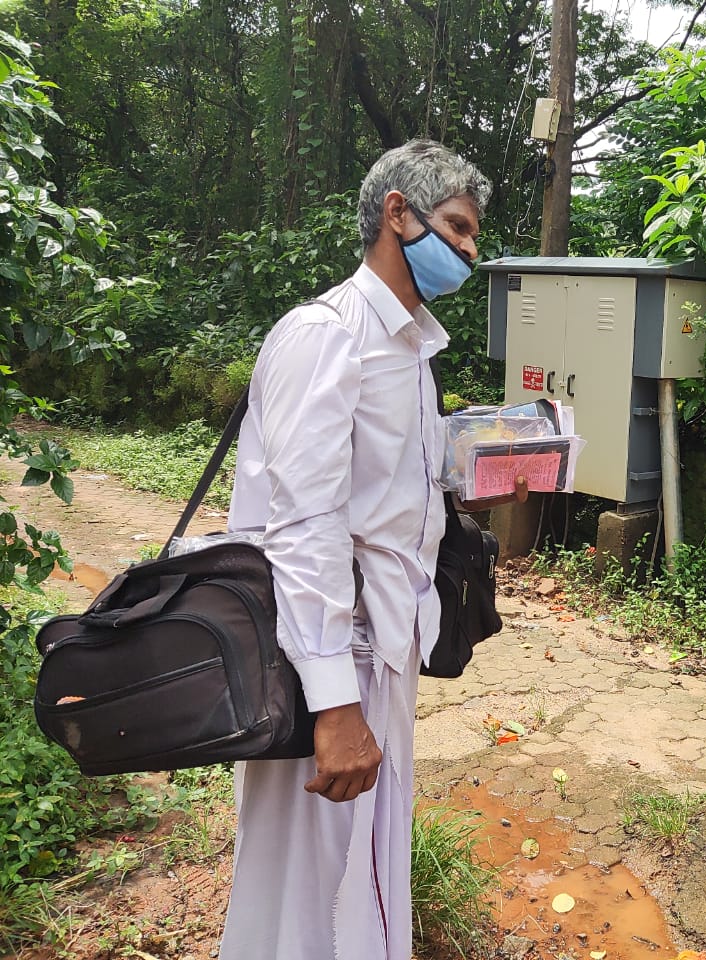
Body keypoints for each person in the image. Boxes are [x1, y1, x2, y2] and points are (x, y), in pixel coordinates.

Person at [218, 139, 522, 959]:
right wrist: (335, 705)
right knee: (314, 888)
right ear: (399, 213)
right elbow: (305, 525)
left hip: (380, 648)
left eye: (471, 233)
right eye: (456, 227)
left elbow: (386, 494)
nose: (468, 249)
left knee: (357, 874)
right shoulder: (329, 336)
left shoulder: (409, 346)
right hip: (326, 661)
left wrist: (483, 466)